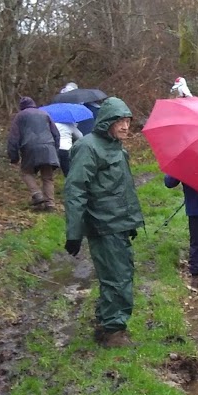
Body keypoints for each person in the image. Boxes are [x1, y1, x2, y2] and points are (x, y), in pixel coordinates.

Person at [63, 97, 145, 348]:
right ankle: (113, 332)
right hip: (103, 224)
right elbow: (75, 190)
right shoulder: (88, 147)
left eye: (128, 121)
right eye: (119, 121)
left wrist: (130, 223)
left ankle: (105, 325)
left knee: (122, 273)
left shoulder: (118, 148)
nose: (124, 126)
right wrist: (74, 233)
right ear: (107, 121)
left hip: (119, 223)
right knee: (117, 277)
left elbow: (122, 190)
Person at [7, 96, 61, 211]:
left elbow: (14, 137)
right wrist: (55, 150)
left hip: (30, 148)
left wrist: (14, 156)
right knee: (47, 177)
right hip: (48, 147)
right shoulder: (44, 114)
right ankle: (50, 205)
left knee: (26, 173)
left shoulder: (20, 116)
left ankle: (37, 194)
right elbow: (56, 134)